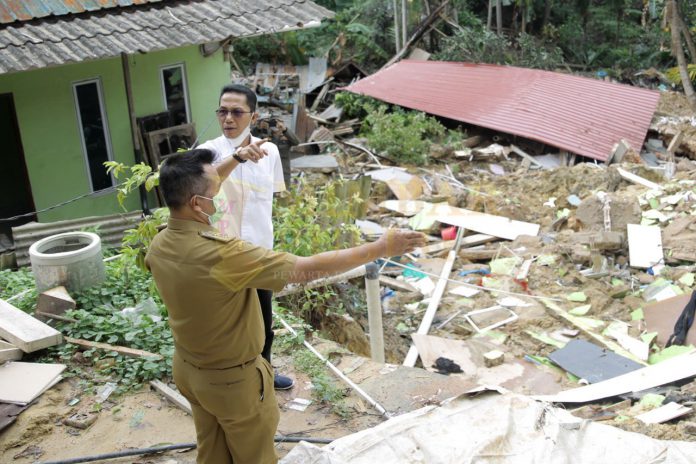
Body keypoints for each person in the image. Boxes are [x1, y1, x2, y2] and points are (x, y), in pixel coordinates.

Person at [145, 149, 425, 464]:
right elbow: (305, 268)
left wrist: (234, 160)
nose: (219, 196)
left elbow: (199, 192)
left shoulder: (160, 245)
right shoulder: (224, 255)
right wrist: (380, 247)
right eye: (215, 193)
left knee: (212, 451)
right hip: (232, 383)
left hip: (189, 371)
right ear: (197, 204)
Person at [197, 84, 294, 390]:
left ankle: (263, 373)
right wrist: (237, 157)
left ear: (253, 115)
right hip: (222, 254)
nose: (228, 118)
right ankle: (228, 379)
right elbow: (205, 185)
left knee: (264, 324)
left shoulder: (271, 152)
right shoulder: (208, 152)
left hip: (260, 250)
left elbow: (270, 198)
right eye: (222, 111)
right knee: (226, 323)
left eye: (236, 112)